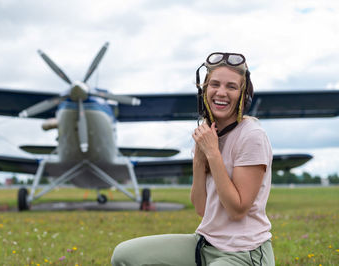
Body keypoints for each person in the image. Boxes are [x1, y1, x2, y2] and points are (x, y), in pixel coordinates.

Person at [111, 52, 275, 266]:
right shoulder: (208, 134)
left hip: (245, 253)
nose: (221, 93)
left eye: (232, 87)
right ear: (204, 90)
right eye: (214, 84)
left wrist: (213, 154)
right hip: (205, 245)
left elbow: (237, 210)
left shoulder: (252, 135)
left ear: (244, 95)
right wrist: (200, 158)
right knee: (123, 256)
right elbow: (201, 208)